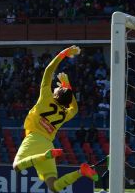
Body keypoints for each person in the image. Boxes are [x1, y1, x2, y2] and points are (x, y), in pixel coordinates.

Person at [13, 45, 98, 193]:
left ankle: (44, 156)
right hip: (48, 143)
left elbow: (48, 71)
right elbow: (75, 108)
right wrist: (69, 88)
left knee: (16, 167)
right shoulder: (65, 113)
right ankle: (81, 172)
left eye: (58, 88)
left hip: (34, 139)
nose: (56, 87)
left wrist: (63, 54)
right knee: (54, 187)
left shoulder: (46, 97)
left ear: (56, 94)